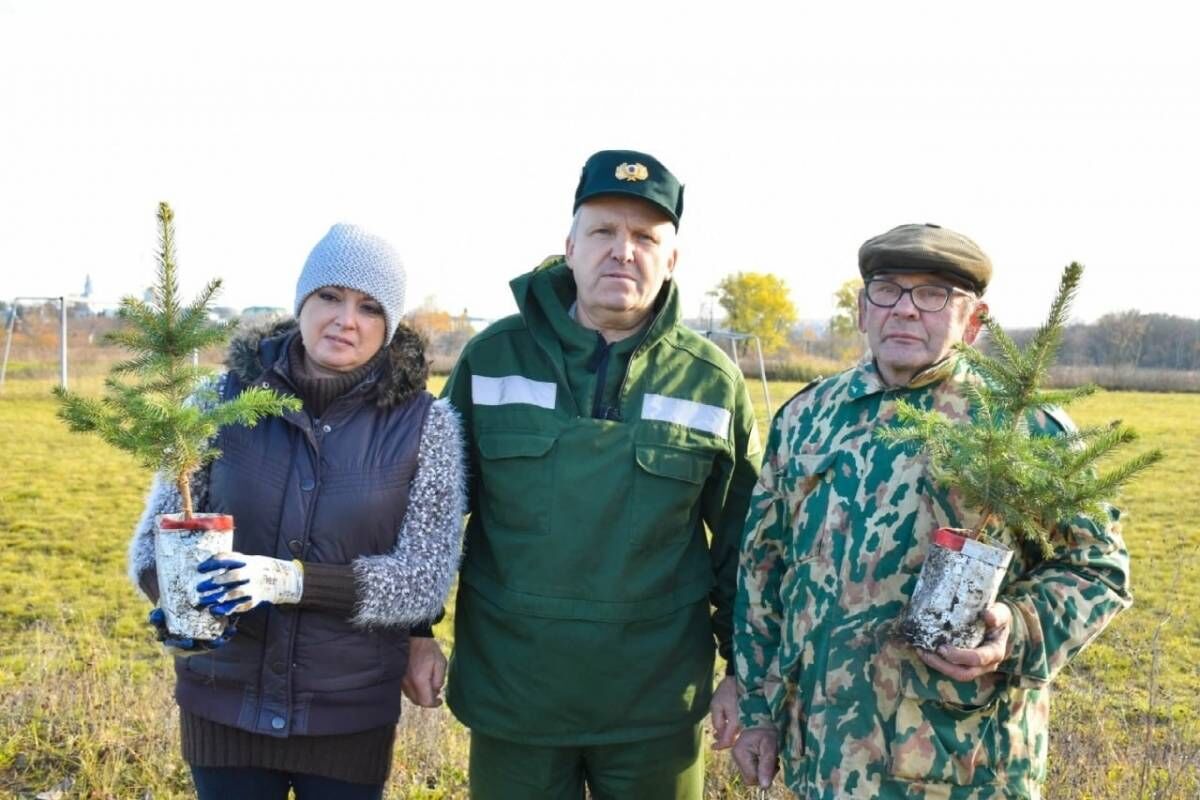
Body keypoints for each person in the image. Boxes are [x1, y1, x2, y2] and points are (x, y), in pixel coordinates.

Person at [732, 223, 1133, 799]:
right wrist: (759, 710)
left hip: (956, 763)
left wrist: (1014, 630)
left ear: (973, 321)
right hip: (820, 755)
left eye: (933, 295)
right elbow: (762, 569)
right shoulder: (807, 416)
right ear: (862, 309)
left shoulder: (1024, 429)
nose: (906, 310)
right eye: (888, 290)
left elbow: (1100, 568)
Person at [421, 149, 761, 798]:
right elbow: (432, 511)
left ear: (672, 260)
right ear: (570, 245)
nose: (622, 251)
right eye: (603, 231)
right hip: (516, 693)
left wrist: (742, 671)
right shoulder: (492, 359)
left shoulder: (710, 381)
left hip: (655, 704)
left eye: (645, 237)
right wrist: (415, 632)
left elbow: (745, 545)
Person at [127, 223, 465, 799]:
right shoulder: (216, 400)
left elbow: (424, 581)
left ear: (389, 325)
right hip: (223, 700)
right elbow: (152, 545)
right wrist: (179, 602)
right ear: (302, 301)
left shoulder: (426, 425)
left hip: (347, 712)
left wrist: (285, 580)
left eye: (368, 307)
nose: (345, 319)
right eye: (329, 297)